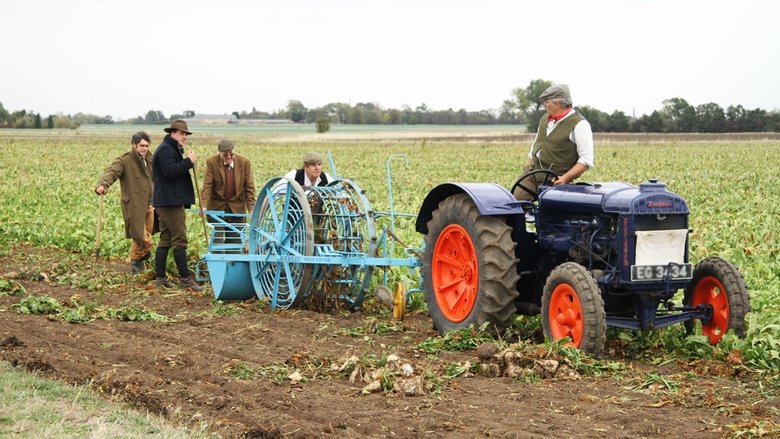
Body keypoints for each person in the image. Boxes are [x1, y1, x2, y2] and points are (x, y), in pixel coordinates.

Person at [512, 84, 594, 201]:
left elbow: (585, 160)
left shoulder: (580, 124)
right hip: (533, 176)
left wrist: (565, 178)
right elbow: (537, 144)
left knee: (550, 215)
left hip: (556, 181)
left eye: (547, 102)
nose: (544, 105)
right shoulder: (544, 119)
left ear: (557, 104)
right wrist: (529, 163)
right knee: (513, 204)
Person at [152, 119, 204, 291]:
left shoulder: (169, 148)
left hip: (167, 201)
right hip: (170, 202)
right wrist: (189, 161)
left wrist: (186, 159)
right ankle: (186, 280)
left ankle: (160, 278)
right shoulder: (166, 149)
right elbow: (170, 171)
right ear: (172, 133)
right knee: (180, 239)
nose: (184, 137)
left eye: (186, 134)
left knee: (166, 239)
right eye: (182, 133)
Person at [95, 132, 155, 274]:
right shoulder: (125, 160)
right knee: (140, 236)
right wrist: (103, 185)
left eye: (146, 146)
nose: (144, 148)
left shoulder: (150, 159)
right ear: (134, 145)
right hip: (134, 204)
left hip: (151, 203)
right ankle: (146, 255)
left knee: (142, 236)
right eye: (141, 146)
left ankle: (137, 267)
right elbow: (112, 172)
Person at [200, 139, 256, 246]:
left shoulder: (244, 162)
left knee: (235, 242)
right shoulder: (212, 162)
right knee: (218, 240)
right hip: (216, 209)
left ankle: (232, 261)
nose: (229, 157)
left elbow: (250, 188)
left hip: (237, 208)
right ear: (220, 154)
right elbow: (207, 186)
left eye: (231, 154)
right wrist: (203, 206)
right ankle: (218, 261)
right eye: (225, 155)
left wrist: (252, 209)